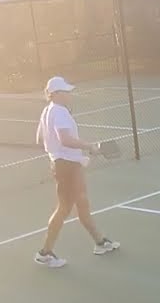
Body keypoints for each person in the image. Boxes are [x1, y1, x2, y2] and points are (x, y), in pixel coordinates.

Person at [33, 76, 119, 268]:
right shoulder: (60, 111)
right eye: (65, 91)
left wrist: (55, 152)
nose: (69, 94)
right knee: (64, 209)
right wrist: (89, 147)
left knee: (82, 203)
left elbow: (39, 138)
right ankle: (45, 253)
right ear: (55, 94)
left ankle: (100, 242)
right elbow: (65, 139)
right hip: (67, 166)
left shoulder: (47, 111)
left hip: (66, 163)